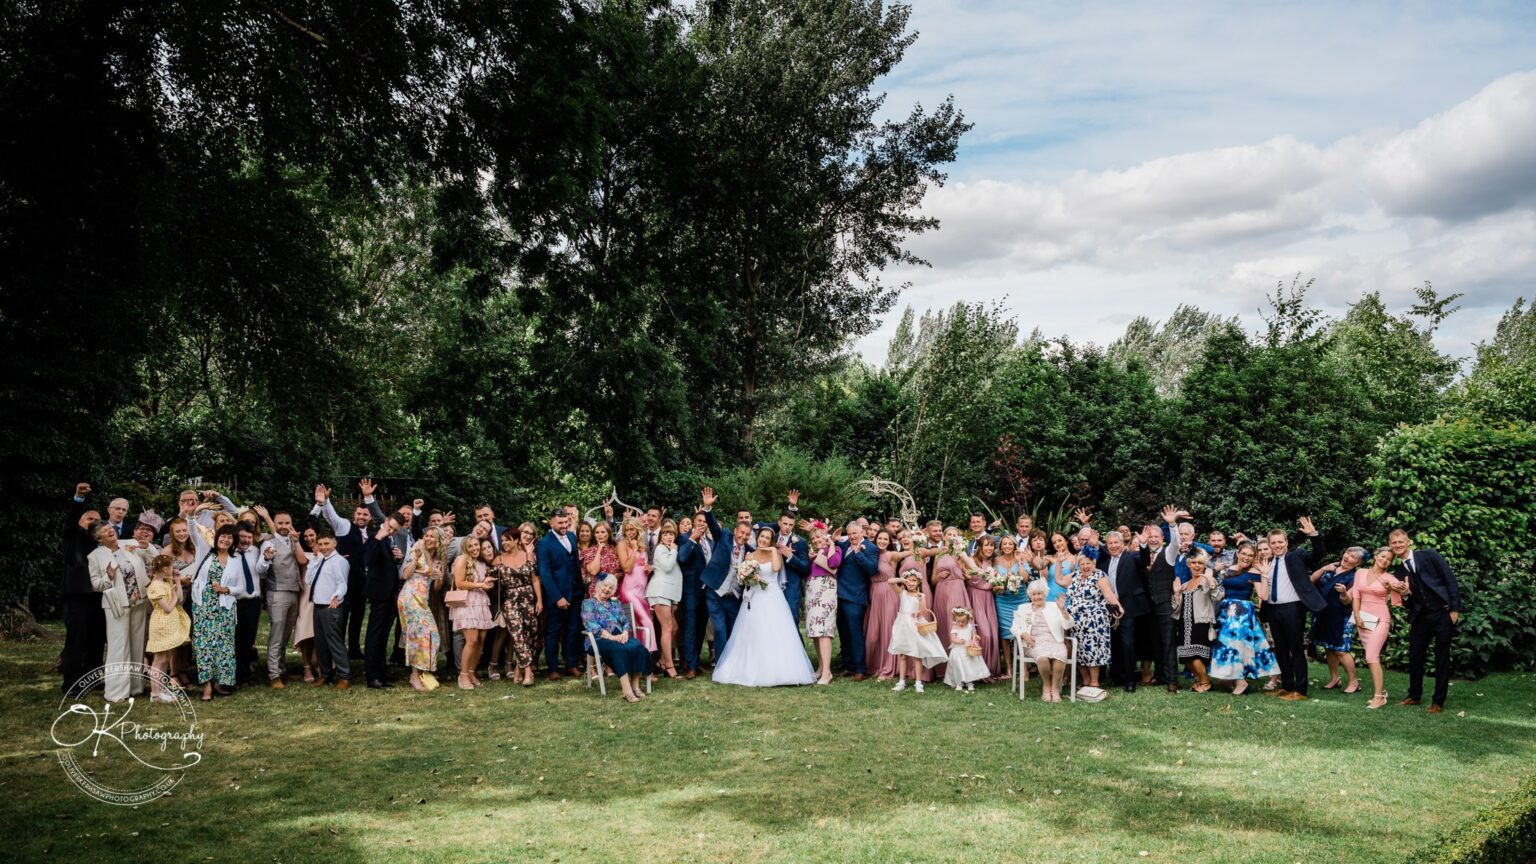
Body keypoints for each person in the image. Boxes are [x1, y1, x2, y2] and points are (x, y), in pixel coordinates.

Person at [712, 526, 816, 687]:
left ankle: (779, 670)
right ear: (758, 537)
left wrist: (772, 549)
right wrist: (747, 575)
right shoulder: (750, 554)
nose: (763, 540)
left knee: (774, 632)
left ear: (771, 541)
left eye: (767, 538)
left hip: (772, 597)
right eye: (762, 537)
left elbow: (775, 568)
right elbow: (744, 579)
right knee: (753, 631)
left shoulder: (775, 553)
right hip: (754, 597)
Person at [1390, 529, 1461, 714]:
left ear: (1408, 542)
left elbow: (1449, 579)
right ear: (1391, 545)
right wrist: (1406, 595)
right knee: (1415, 656)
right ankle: (1414, 696)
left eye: (1400, 541)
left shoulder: (1429, 555)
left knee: (1441, 658)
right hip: (1421, 618)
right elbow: (1407, 603)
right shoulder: (1398, 572)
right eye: (1394, 543)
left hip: (1442, 614)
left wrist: (1454, 609)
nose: (1397, 545)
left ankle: (1438, 701)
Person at [1263, 516, 1327, 701]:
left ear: (1286, 542)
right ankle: (1287, 685)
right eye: (1273, 543)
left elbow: (1318, 554)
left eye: (1280, 542)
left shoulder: (1297, 556)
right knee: (1280, 649)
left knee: (1296, 648)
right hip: (1273, 609)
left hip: (1293, 609)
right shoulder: (1269, 561)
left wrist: (1313, 535)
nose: (1276, 545)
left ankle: (1300, 690)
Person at [88, 521, 151, 703]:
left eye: (110, 528)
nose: (110, 531)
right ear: (99, 538)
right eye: (105, 531)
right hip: (117, 605)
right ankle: (116, 692)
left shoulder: (128, 543)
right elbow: (96, 585)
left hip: (139, 600)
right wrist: (108, 576)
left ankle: (135, 687)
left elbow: (152, 558)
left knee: (137, 644)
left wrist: (146, 547)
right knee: (118, 646)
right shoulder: (95, 556)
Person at [309, 484, 373, 660]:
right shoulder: (344, 526)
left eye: (365, 515)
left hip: (362, 581)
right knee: (341, 617)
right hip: (344, 579)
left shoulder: (372, 534)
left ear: (370, 517)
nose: (361, 517)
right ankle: (337, 652)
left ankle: (354, 649)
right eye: (359, 514)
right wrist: (325, 502)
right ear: (354, 515)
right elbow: (332, 517)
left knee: (358, 617)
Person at [1209, 542, 1279, 696]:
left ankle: (1241, 681)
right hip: (1225, 611)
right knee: (1224, 644)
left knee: (1236, 646)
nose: (1246, 558)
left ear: (1254, 558)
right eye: (1244, 554)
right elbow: (1221, 590)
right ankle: (1229, 678)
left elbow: (1264, 596)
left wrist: (1265, 575)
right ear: (1238, 553)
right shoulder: (1230, 569)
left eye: (1250, 555)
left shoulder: (1254, 572)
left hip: (1241, 613)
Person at [61, 483, 107, 695]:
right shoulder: (73, 536)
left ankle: (93, 679)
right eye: (89, 518)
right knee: (76, 641)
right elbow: (71, 520)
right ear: (80, 522)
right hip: (78, 596)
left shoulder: (102, 544)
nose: (94, 522)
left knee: (96, 641)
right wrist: (78, 498)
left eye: (97, 520)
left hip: (100, 596)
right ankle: (71, 683)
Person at [582, 575, 653, 703]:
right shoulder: (588, 603)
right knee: (618, 650)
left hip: (619, 637)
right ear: (598, 586)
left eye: (610, 587)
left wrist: (625, 632)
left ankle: (635, 686)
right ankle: (627, 691)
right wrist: (611, 637)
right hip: (599, 639)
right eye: (605, 585)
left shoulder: (615, 603)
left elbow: (625, 621)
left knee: (638, 646)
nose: (607, 589)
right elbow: (591, 625)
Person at [1352, 546, 1407, 709]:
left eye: (1389, 559)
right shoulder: (1360, 572)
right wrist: (1357, 616)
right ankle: (1381, 691)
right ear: (1376, 556)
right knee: (1371, 657)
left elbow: (1402, 589)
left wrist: (1404, 588)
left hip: (1381, 621)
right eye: (1383, 557)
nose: (1385, 561)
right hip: (1363, 620)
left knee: (1371, 656)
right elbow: (1356, 595)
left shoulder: (1389, 578)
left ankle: (1379, 696)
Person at [192, 524, 241, 699]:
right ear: (217, 537)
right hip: (203, 606)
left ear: (233, 541)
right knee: (204, 645)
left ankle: (220, 682)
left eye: (230, 537)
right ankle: (207, 686)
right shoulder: (205, 552)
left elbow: (241, 587)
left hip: (225, 608)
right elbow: (192, 530)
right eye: (223, 536)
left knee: (224, 647)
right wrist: (192, 514)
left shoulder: (236, 560)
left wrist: (226, 589)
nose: (226, 540)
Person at [261, 511, 308, 687]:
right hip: (277, 592)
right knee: (276, 635)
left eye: (287, 523)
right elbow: (262, 568)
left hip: (294, 591)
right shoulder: (268, 543)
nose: (284, 527)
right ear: (274, 524)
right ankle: (273, 675)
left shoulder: (292, 540)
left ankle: (281, 670)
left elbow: (302, 561)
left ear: (291, 524)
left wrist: (296, 541)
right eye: (280, 523)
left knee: (286, 635)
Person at [1097, 529, 1148, 692]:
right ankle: (1117, 676)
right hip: (1109, 608)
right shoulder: (1104, 562)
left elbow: (1145, 560)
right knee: (1115, 643)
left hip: (1129, 607)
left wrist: (1143, 544)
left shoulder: (1132, 556)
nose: (1113, 546)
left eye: (1116, 543)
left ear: (1122, 543)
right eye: (1110, 543)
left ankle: (1130, 680)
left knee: (1128, 643)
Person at [698, 487, 747, 654]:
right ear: (735, 531)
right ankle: (720, 663)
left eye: (747, 534)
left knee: (734, 629)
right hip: (715, 591)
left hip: (734, 595)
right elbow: (712, 525)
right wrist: (708, 509)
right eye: (742, 532)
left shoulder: (749, 550)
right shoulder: (724, 536)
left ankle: (732, 662)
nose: (744, 536)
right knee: (719, 629)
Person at [493, 524, 543, 687]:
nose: (504, 543)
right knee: (517, 634)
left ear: (515, 540)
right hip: (510, 600)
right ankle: (528, 671)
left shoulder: (528, 555)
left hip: (529, 598)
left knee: (529, 634)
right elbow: (491, 580)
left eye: (507, 540)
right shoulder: (498, 560)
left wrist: (539, 600)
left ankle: (517, 669)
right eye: (502, 541)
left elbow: (535, 579)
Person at [536, 508, 583, 680]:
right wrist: (558, 597)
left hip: (576, 592)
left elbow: (574, 563)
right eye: (560, 523)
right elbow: (545, 573)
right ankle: (552, 668)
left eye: (566, 522)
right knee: (554, 631)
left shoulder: (571, 536)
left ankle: (571, 664)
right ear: (552, 523)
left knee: (573, 630)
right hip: (557, 596)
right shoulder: (543, 544)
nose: (564, 525)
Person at [399, 527, 447, 692]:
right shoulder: (417, 549)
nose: (427, 539)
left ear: (438, 540)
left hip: (423, 599)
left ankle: (423, 671)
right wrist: (415, 559)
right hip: (410, 597)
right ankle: (414, 675)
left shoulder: (439, 559)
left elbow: (437, 587)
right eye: (426, 535)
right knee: (417, 636)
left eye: (432, 537)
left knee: (432, 634)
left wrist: (439, 578)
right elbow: (404, 575)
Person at [1310, 548, 1362, 693]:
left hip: (1342, 616)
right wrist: (1323, 568)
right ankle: (1335, 679)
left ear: (1357, 562)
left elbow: (1347, 601)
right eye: (1347, 553)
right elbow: (1312, 580)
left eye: (1353, 557)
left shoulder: (1354, 577)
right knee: (1329, 647)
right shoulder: (1331, 567)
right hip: (1324, 613)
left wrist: (1344, 593)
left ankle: (1354, 682)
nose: (1347, 557)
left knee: (1341, 650)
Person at [305, 527, 352, 690]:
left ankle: (344, 676)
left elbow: (342, 582)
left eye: (326, 543)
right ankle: (325, 674)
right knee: (321, 643)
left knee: (334, 642)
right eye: (320, 544)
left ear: (334, 543)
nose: (323, 547)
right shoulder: (320, 560)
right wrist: (315, 560)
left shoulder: (339, 561)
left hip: (331, 606)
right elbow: (308, 579)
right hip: (318, 606)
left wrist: (337, 596)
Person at [1170, 548, 1221, 693]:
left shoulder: (1206, 580)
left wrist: (1210, 580)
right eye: (1193, 563)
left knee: (1194, 654)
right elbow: (1175, 608)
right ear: (1189, 564)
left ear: (1204, 565)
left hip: (1200, 622)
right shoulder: (1185, 584)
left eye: (1200, 563)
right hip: (1185, 623)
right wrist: (1177, 594)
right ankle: (1198, 680)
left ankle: (1205, 682)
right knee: (1185, 656)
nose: (1197, 565)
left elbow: (1217, 596)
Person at [887, 568, 946, 692]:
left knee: (917, 655)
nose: (911, 583)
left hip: (914, 625)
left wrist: (919, 609)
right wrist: (902, 579)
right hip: (903, 626)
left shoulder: (921, 596)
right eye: (909, 581)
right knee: (903, 655)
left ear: (918, 582)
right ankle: (901, 682)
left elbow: (924, 612)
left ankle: (918, 683)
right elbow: (890, 581)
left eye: (914, 580)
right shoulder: (902, 592)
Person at [363, 514, 404, 689]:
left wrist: (398, 559)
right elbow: (368, 560)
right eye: (391, 527)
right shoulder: (375, 536)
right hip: (379, 594)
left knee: (383, 636)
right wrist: (379, 537)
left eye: (395, 530)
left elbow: (385, 563)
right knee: (374, 635)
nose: (392, 531)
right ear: (386, 521)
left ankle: (381, 672)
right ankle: (372, 677)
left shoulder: (388, 539)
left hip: (390, 594)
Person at [449, 534, 494, 689]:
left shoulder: (480, 563)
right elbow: (459, 583)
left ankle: (471, 671)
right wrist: (480, 585)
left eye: (477, 546)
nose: (475, 548)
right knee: (472, 640)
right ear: (465, 548)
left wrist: (486, 582)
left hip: (481, 602)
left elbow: (481, 581)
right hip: (467, 603)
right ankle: (462, 675)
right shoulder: (462, 560)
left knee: (481, 640)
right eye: (471, 546)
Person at [1067, 553, 1117, 691]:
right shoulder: (1074, 576)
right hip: (1076, 622)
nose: (1085, 566)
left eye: (1088, 563)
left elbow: (1108, 594)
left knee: (1093, 650)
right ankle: (1085, 680)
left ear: (1094, 564)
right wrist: (1059, 563)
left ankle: (1095, 682)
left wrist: (1119, 607)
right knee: (1079, 651)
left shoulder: (1099, 576)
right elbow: (1059, 580)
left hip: (1094, 621)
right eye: (1082, 564)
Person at [144, 554, 190, 703]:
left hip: (169, 623)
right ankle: (155, 694)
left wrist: (177, 581)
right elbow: (168, 607)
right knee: (159, 659)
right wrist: (175, 597)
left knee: (165, 658)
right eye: (171, 567)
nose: (173, 569)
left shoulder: (166, 582)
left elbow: (180, 598)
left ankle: (161, 689)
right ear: (165, 569)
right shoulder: (156, 586)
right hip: (161, 623)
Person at [228, 524, 270, 686]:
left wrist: (266, 559)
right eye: (242, 537)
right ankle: (234, 674)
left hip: (253, 601)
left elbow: (261, 570)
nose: (245, 540)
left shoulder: (255, 551)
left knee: (248, 639)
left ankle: (245, 673)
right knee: (235, 638)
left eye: (248, 537)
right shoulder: (229, 553)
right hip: (234, 601)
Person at [804, 528, 842, 685]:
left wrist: (831, 544)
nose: (816, 540)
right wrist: (810, 559)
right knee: (815, 632)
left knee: (824, 631)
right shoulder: (814, 555)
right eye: (813, 538)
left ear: (826, 536)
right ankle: (820, 667)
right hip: (812, 592)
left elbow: (834, 563)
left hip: (826, 591)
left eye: (819, 536)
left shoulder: (835, 549)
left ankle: (827, 672)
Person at [647, 521, 683, 678]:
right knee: (667, 628)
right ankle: (669, 666)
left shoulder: (668, 549)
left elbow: (675, 575)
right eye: (666, 534)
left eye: (672, 534)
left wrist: (675, 601)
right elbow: (668, 567)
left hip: (669, 594)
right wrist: (674, 551)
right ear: (661, 537)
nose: (669, 536)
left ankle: (662, 660)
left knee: (673, 627)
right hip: (660, 592)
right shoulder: (661, 549)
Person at [865, 528, 902, 681]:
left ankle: (888, 667)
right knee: (873, 633)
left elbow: (907, 552)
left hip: (889, 594)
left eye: (886, 539)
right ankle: (873, 665)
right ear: (875, 539)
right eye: (880, 538)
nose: (882, 541)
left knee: (888, 629)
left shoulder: (891, 555)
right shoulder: (870, 554)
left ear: (889, 542)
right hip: (874, 593)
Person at [677, 514, 710, 678]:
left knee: (701, 627)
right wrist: (693, 539)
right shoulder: (684, 538)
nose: (702, 524)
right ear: (694, 523)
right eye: (699, 521)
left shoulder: (710, 542)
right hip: (691, 590)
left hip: (707, 591)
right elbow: (682, 558)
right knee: (690, 627)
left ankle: (696, 662)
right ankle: (690, 665)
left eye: (705, 522)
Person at [616, 519, 656, 653]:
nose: (629, 532)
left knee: (638, 624)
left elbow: (641, 567)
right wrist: (633, 550)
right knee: (647, 621)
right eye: (626, 530)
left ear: (638, 529)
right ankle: (649, 655)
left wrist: (648, 568)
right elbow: (627, 568)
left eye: (632, 529)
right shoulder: (622, 544)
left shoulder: (642, 546)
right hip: (629, 591)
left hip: (641, 591)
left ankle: (639, 655)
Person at [992, 536, 1028, 682]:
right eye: (1004, 543)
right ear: (1001, 546)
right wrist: (996, 588)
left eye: (1010, 544)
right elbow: (992, 581)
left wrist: (1019, 561)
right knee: (1005, 634)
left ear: (1014, 546)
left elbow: (1025, 578)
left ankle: (1024, 669)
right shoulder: (995, 561)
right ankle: (1009, 668)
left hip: (1020, 599)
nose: (1007, 546)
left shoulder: (1021, 557)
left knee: (1022, 631)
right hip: (1002, 600)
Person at [777, 495, 810, 630]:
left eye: (791, 525)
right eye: (785, 524)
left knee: (792, 621)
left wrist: (791, 556)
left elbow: (806, 568)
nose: (787, 527)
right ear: (779, 523)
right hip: (772, 587)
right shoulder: (771, 538)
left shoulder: (800, 542)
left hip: (792, 588)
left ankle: (797, 651)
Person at [942, 607, 988, 693]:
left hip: (968, 650)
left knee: (969, 666)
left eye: (963, 622)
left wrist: (976, 637)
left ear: (967, 620)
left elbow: (973, 636)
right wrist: (958, 641)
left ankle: (970, 682)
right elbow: (952, 639)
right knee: (958, 667)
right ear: (955, 620)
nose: (961, 623)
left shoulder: (970, 627)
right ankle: (959, 683)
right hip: (958, 650)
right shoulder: (955, 628)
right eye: (958, 621)